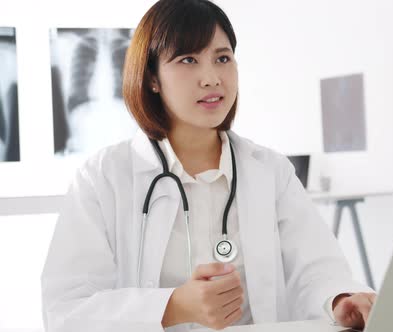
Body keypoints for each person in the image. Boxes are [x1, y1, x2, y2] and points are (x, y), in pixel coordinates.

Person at [41, 0, 376, 331]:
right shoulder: (103, 177)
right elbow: (65, 311)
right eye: (188, 59)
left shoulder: (271, 171)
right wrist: (173, 307)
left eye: (222, 58)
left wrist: (339, 299)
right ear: (152, 78)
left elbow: (317, 269)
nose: (212, 78)